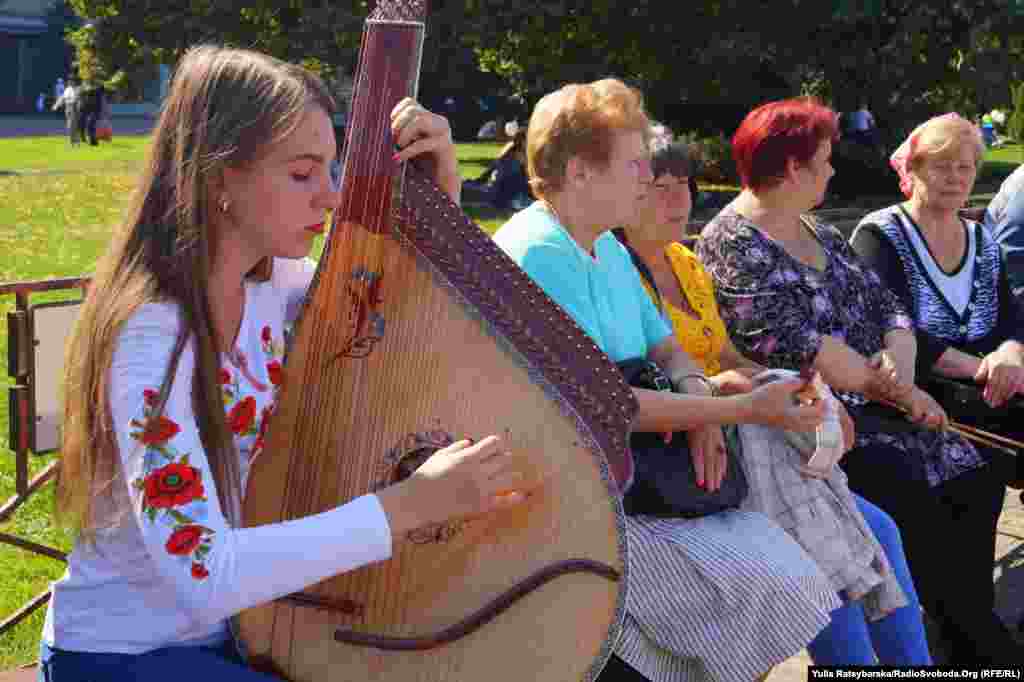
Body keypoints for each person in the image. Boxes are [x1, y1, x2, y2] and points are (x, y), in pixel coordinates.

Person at [40, 46, 539, 681]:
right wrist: (412, 504)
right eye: (302, 174)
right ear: (220, 178)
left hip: (250, 633)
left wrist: (441, 193)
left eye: (330, 170)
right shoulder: (152, 332)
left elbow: (409, 318)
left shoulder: (278, 285)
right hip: (118, 657)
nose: (330, 196)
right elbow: (206, 572)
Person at [495, 78, 841, 682]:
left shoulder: (603, 246)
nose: (646, 177)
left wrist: (696, 399)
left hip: (634, 474)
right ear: (579, 172)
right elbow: (604, 404)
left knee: (790, 568)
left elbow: (667, 348)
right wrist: (739, 411)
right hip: (574, 499)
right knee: (766, 580)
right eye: (633, 164)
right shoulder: (539, 253)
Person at [699, 97, 1023, 664]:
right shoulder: (733, 241)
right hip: (807, 419)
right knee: (915, 479)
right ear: (793, 168)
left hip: (872, 400)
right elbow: (801, 346)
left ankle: (964, 628)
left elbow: (889, 308)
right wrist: (904, 390)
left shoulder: (818, 231)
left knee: (970, 468)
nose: (831, 171)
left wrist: (900, 354)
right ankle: (954, 637)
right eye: (824, 161)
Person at [617, 134, 931, 666]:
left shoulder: (685, 263)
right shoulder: (620, 273)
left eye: (684, 185)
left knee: (879, 529)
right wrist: (733, 389)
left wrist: (807, 394)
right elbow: (650, 382)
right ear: (629, 190)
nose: (677, 201)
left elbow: (729, 356)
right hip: (697, 457)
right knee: (826, 544)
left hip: (750, 438)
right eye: (659, 187)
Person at [463, 127, 532, 210]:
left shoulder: (510, 150)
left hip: (498, 192)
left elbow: (493, 167)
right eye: (528, 139)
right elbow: (525, 179)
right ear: (522, 141)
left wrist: (481, 179)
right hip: (507, 194)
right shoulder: (519, 156)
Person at [51, 79, 81, 146]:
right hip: (68, 108)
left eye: (71, 81)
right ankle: (73, 141)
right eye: (69, 82)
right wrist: (56, 105)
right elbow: (62, 98)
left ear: (74, 82)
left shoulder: (77, 89)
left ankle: (76, 141)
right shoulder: (67, 89)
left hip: (74, 107)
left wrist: (78, 105)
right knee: (70, 125)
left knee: (74, 125)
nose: (70, 83)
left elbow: (78, 99)